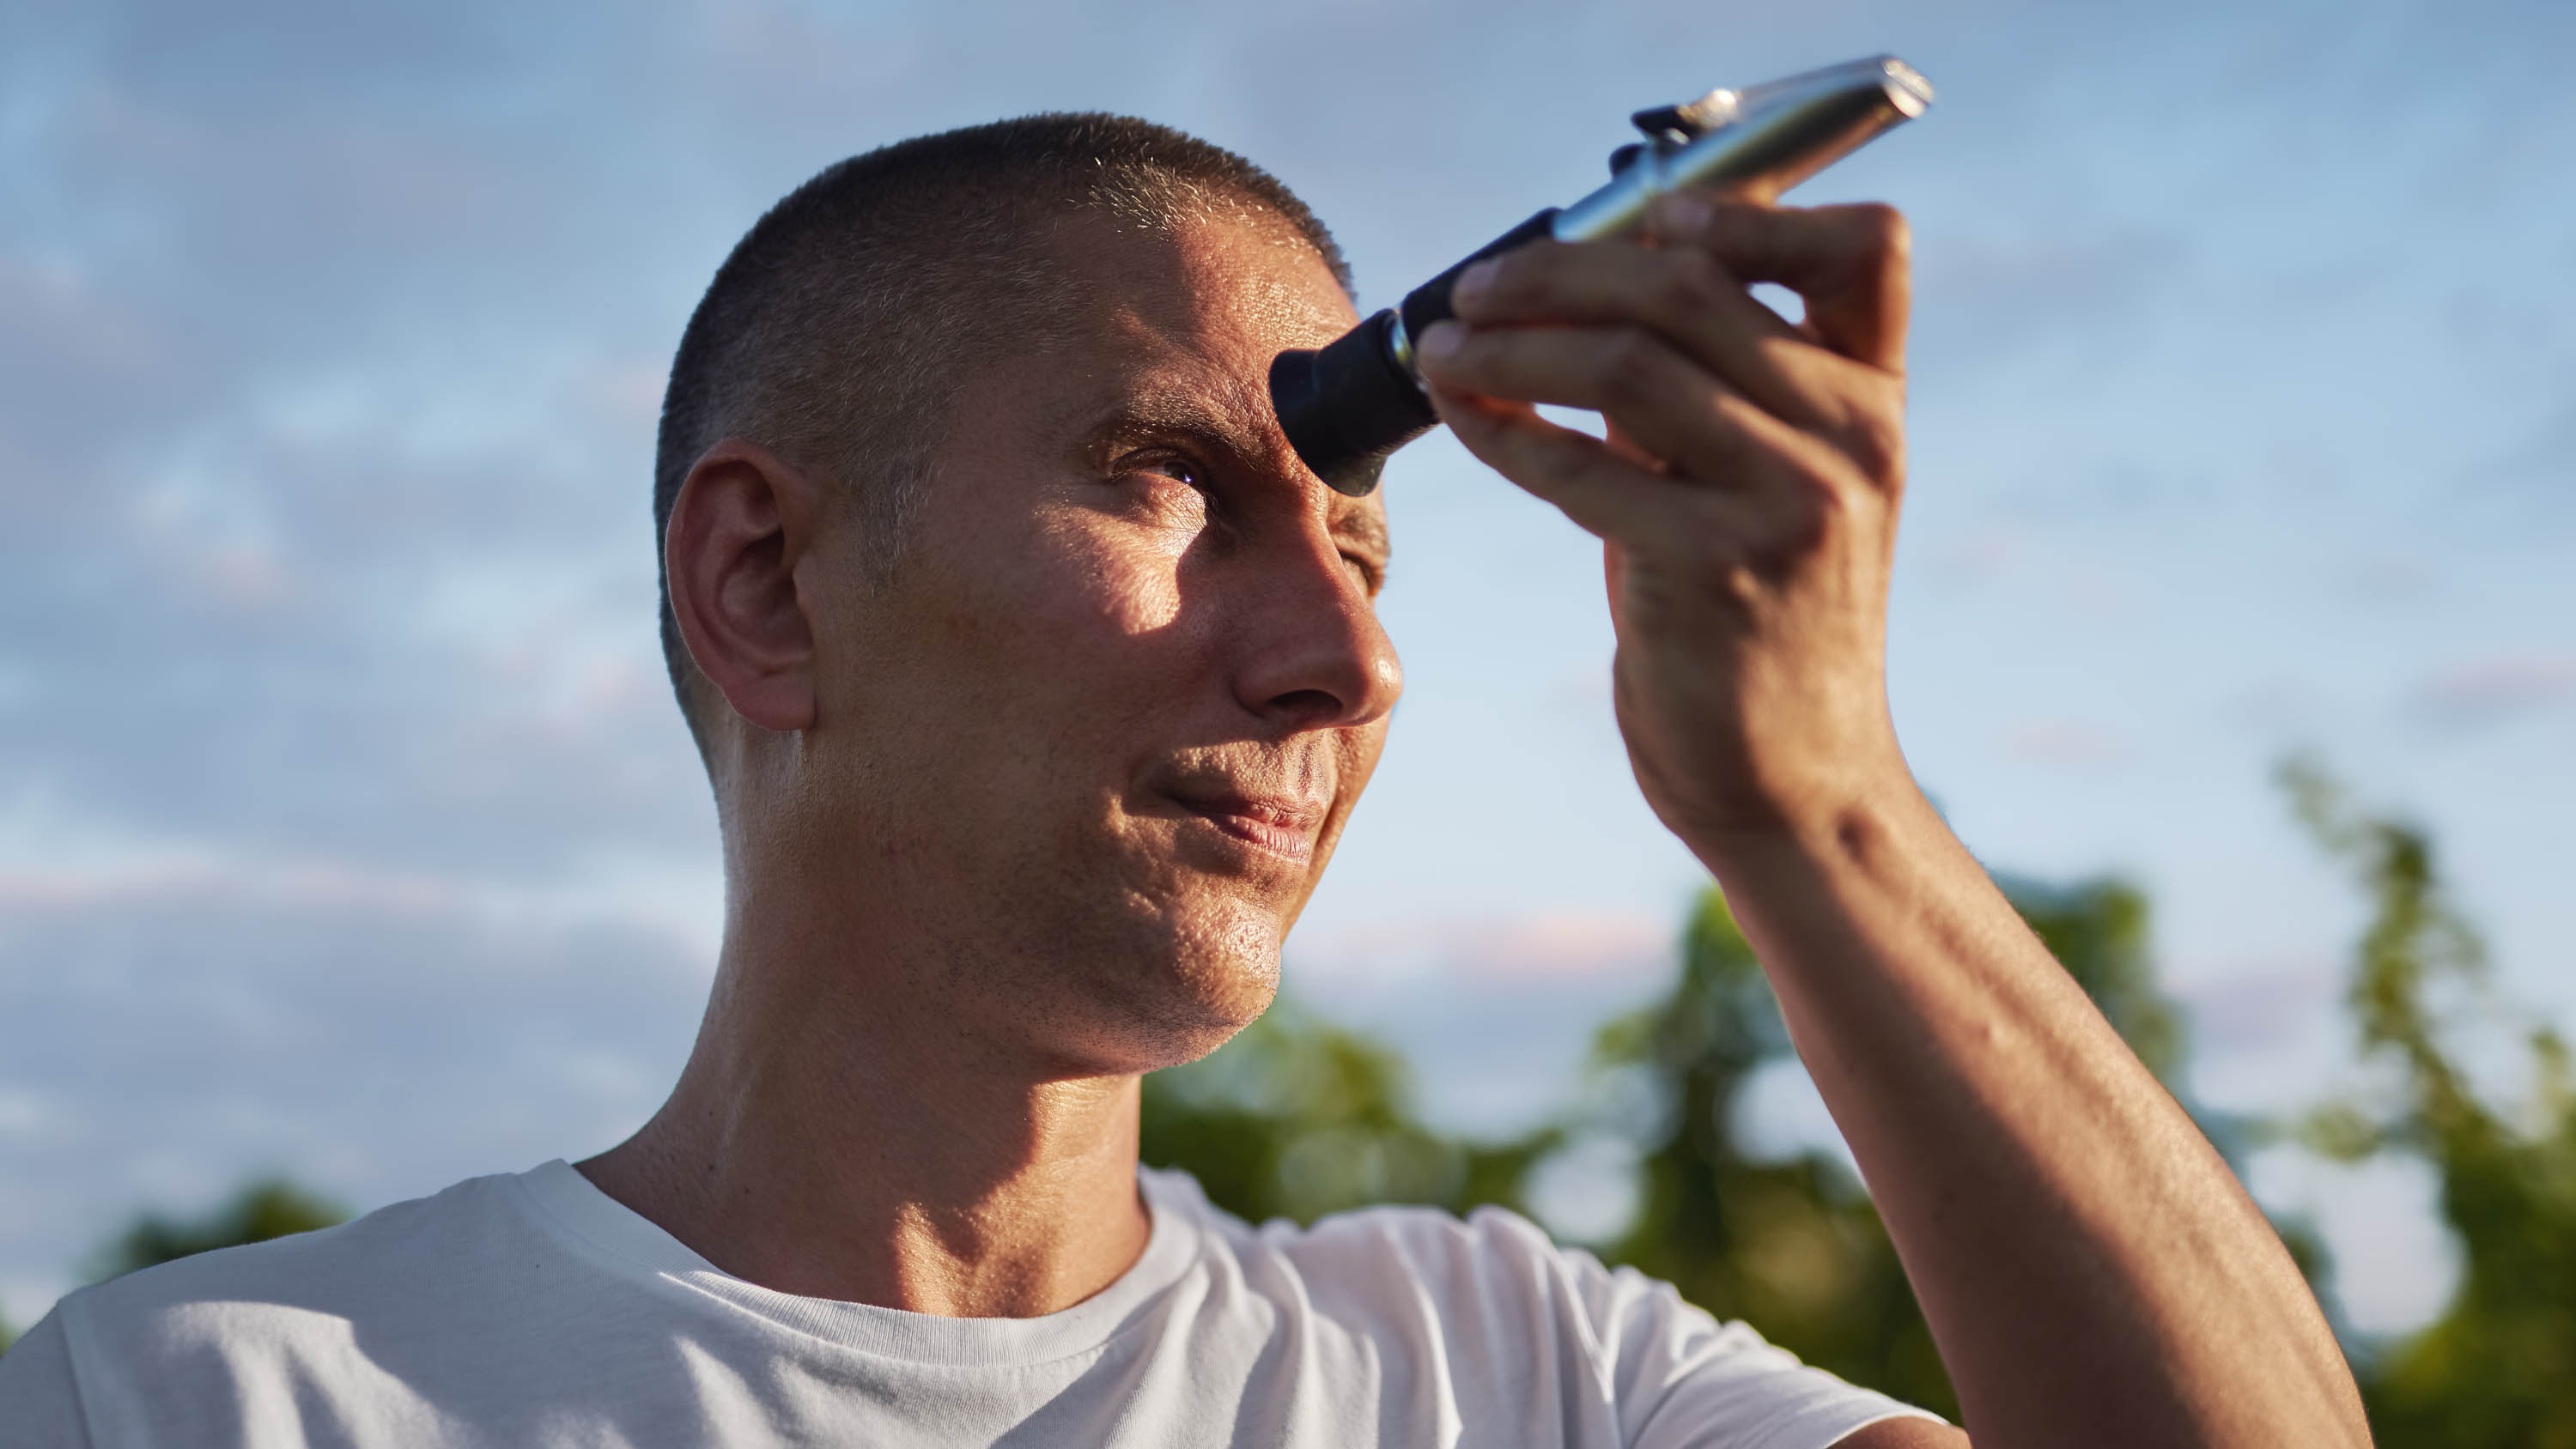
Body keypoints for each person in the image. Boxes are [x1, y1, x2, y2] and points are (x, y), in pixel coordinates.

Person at [0, 114, 2369, 1448]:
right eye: (1171, 482)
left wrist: (1816, 807)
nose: (1344, 654)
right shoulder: (198, 1404)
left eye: (1361, 534)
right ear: (767, 583)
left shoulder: (1504, 1377)